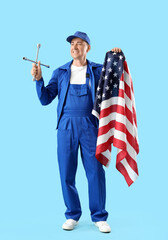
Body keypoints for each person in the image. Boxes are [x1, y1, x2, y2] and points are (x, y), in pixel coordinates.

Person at [31, 31, 121, 233]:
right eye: (72, 43)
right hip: (66, 126)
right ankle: (72, 214)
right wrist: (39, 80)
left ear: (88, 48)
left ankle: (99, 217)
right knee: (66, 172)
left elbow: (114, 84)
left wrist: (116, 57)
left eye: (80, 43)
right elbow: (46, 99)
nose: (75, 47)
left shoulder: (98, 70)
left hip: (91, 125)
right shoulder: (60, 72)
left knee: (95, 171)